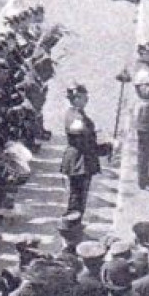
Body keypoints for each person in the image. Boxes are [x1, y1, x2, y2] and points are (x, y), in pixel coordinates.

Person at [118, 41, 149, 191]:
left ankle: (146, 177)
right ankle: (143, 181)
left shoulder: (142, 67)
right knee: (144, 148)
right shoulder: (143, 71)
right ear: (142, 53)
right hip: (147, 113)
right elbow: (144, 92)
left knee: (147, 147)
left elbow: (124, 76)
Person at [59, 84, 108, 220]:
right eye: (84, 96)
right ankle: (72, 232)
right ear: (76, 98)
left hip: (81, 159)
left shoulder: (76, 113)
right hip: (79, 160)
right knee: (77, 200)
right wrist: (104, 147)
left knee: (79, 198)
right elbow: (82, 141)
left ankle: (74, 229)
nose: (87, 99)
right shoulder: (76, 117)